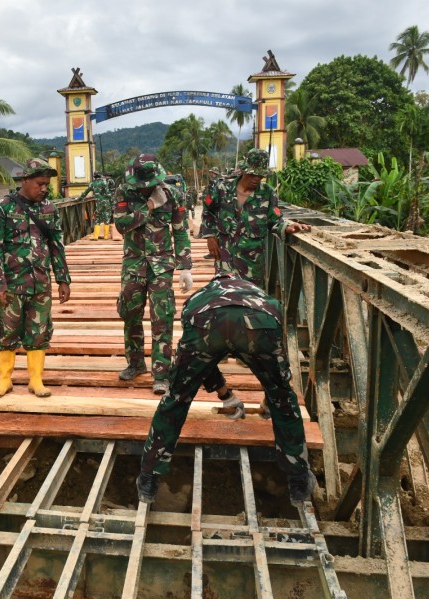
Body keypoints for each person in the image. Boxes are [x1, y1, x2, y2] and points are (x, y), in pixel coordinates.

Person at [136, 272, 316, 508]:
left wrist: (224, 394)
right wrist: (271, 397)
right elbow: (275, 365)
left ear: (215, 282)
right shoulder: (261, 296)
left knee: (177, 399)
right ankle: (299, 480)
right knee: (283, 397)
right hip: (260, 322)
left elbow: (202, 363)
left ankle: (149, 477)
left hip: (206, 322)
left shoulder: (199, 297)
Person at [0, 158, 72, 398]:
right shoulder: (2, 208)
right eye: (40, 183)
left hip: (40, 283)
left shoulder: (49, 209)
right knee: (6, 332)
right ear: (25, 180)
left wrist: (63, 279)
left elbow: (57, 245)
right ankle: (5, 380)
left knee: (39, 332)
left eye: (47, 184)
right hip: (11, 284)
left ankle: (36, 379)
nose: (44, 188)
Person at [114, 154, 193, 395]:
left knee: (162, 318)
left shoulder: (173, 194)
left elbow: (180, 231)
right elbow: (121, 225)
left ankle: (161, 373)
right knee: (130, 314)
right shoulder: (124, 192)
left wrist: (185, 267)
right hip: (133, 264)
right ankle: (135, 363)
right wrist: (148, 207)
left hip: (162, 265)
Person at [200, 148, 311, 287]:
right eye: (253, 175)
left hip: (252, 264)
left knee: (251, 303)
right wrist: (210, 236)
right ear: (243, 171)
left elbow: (274, 220)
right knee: (225, 299)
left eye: (260, 176)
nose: (256, 179)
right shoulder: (222, 188)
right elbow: (208, 211)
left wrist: (287, 227)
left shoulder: (267, 193)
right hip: (225, 259)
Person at [76, 172, 114, 241]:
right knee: (107, 218)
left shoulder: (92, 184)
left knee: (97, 218)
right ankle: (105, 236)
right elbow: (108, 194)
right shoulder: (104, 182)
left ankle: (96, 236)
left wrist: (79, 199)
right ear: (100, 176)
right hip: (106, 203)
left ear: (94, 177)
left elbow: (85, 193)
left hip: (98, 203)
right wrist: (113, 203)